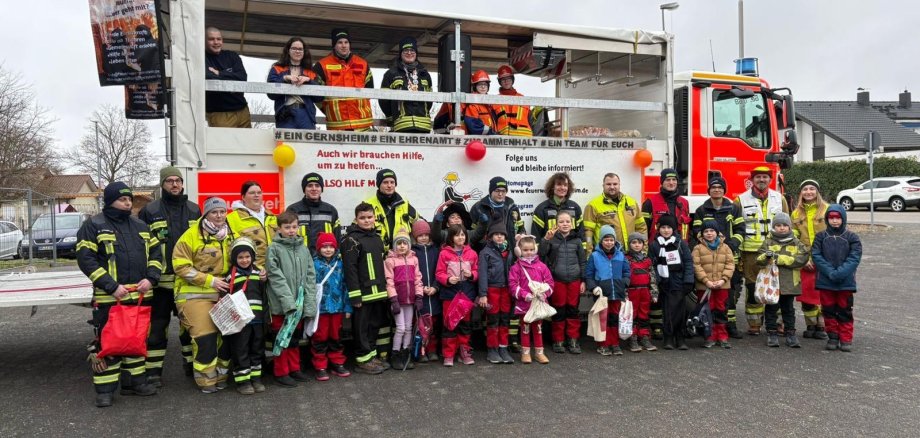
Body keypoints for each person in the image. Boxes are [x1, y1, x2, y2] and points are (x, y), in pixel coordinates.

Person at [77, 182, 161, 407]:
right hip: (110, 298)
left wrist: (151, 278)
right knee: (110, 344)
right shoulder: (93, 225)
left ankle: (135, 383)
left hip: (139, 296)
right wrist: (111, 286)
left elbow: (155, 253)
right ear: (110, 201)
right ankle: (104, 391)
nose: (128, 203)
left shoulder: (141, 225)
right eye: (122, 199)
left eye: (129, 199)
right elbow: (86, 260)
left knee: (136, 342)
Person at [137, 166, 201, 384]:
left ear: (183, 184)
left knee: (189, 327)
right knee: (156, 329)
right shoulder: (150, 211)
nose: (175, 184)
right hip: (161, 284)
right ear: (162, 184)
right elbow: (141, 247)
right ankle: (153, 372)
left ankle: (192, 367)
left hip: (188, 282)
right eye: (170, 181)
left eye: (178, 180)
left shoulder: (195, 210)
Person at [173, 197, 235, 393]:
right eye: (214, 212)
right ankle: (206, 381)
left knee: (227, 338)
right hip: (194, 295)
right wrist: (210, 281)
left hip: (223, 294)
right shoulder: (190, 236)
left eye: (222, 211)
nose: (219, 216)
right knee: (205, 339)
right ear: (206, 214)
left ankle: (222, 376)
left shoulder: (231, 234)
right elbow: (181, 267)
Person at [735, 166, 789, 335]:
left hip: (776, 250)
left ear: (770, 180)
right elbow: (737, 227)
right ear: (752, 180)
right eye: (758, 177)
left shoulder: (780, 199)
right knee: (753, 287)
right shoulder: (740, 200)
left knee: (776, 285)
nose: (761, 180)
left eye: (765, 177)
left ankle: (778, 322)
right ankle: (754, 323)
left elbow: (788, 225)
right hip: (751, 252)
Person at [266, 211, 317, 387]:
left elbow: (310, 276)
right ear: (279, 228)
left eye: (294, 227)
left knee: (295, 338)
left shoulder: (303, 248)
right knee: (282, 338)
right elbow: (276, 277)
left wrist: (308, 303)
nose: (291, 230)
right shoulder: (274, 249)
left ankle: (294, 369)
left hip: (299, 303)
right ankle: (281, 372)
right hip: (282, 305)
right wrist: (288, 303)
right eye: (287, 227)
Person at [691, 176, 746, 339]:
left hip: (728, 257)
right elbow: (696, 231)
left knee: (729, 294)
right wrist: (707, 246)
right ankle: (709, 328)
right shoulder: (702, 210)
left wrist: (729, 246)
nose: (716, 190)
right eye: (713, 187)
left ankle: (730, 325)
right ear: (709, 190)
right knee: (709, 297)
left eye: (720, 187)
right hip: (708, 258)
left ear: (724, 190)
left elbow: (740, 230)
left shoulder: (733, 208)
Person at [342, 202, 389, 374]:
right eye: (362, 218)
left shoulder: (377, 238)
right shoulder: (351, 240)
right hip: (362, 294)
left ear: (374, 218)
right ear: (356, 219)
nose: (367, 221)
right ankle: (362, 360)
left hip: (378, 292)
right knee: (361, 328)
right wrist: (355, 296)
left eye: (369, 217)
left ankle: (371, 356)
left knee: (374, 325)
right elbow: (350, 269)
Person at [811, 205, 862, 352]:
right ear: (827, 219)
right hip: (826, 282)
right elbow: (817, 256)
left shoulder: (852, 237)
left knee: (845, 311)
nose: (834, 221)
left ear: (843, 218)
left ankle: (846, 338)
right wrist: (830, 272)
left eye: (837, 217)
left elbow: (854, 258)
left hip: (845, 283)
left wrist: (839, 273)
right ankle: (833, 337)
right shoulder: (821, 237)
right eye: (831, 218)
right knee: (828, 310)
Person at [755, 213, 809, 348]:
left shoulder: (796, 242)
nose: (782, 228)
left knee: (788, 310)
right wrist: (765, 257)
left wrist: (780, 259)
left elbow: (802, 259)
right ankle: (771, 333)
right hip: (772, 284)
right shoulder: (768, 242)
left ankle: (790, 333)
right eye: (778, 225)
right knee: (771, 309)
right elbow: (758, 259)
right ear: (774, 227)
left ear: (789, 227)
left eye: (785, 225)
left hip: (790, 283)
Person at [538, 211, 586, 354]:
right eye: (561, 222)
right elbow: (541, 254)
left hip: (574, 281)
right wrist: (546, 239)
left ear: (572, 224)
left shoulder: (577, 241)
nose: (565, 224)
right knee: (558, 311)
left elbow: (583, 262)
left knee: (573, 310)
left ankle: (573, 340)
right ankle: (558, 340)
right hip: (557, 281)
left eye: (567, 222)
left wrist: (583, 280)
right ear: (556, 224)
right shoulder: (551, 239)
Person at [223, 237, 266, 394]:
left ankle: (256, 378)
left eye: (247, 256)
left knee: (257, 349)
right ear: (234, 258)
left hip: (257, 319)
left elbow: (265, 292)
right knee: (240, 350)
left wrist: (265, 279)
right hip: (240, 322)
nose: (244, 260)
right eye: (240, 257)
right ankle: (243, 382)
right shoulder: (230, 276)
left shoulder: (259, 273)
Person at [436, 225, 480, 367]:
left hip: (466, 295)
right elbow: (439, 273)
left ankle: (464, 352)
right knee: (450, 324)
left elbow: (476, 270)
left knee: (465, 325)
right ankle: (449, 354)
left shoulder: (472, 253)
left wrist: (472, 275)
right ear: (451, 238)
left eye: (463, 235)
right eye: (457, 235)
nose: (460, 237)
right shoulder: (444, 254)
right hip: (450, 295)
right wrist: (448, 280)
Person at [312, 28, 374, 131]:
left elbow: (370, 91)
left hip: (363, 126)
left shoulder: (363, 64)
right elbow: (315, 95)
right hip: (337, 127)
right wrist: (328, 110)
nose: (344, 45)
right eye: (340, 42)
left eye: (346, 42)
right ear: (334, 45)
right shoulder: (321, 66)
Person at [790, 179, 830, 340]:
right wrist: (802, 259)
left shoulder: (827, 210)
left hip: (825, 259)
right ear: (801, 193)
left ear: (817, 191)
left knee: (823, 294)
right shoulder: (796, 213)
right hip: (806, 260)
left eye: (812, 189)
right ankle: (810, 325)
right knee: (806, 295)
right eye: (805, 189)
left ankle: (821, 325)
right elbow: (794, 239)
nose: (808, 192)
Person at [311, 232, 353, 381]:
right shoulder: (314, 264)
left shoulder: (340, 264)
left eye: (331, 247)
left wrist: (348, 307)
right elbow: (309, 287)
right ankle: (320, 365)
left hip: (337, 308)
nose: (328, 250)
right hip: (320, 309)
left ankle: (337, 362)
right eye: (324, 247)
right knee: (320, 337)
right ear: (318, 249)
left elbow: (346, 286)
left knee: (336, 336)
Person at [649, 214, 694, 351]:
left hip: (679, 282)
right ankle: (668, 337)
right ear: (658, 228)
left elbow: (688, 262)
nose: (666, 230)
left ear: (674, 229)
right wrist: (657, 281)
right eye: (663, 227)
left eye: (669, 227)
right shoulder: (655, 245)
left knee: (680, 311)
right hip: (664, 283)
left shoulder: (681, 243)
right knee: (667, 311)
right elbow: (651, 265)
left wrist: (688, 281)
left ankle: (680, 337)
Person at [585, 225, 631, 356]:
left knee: (614, 319)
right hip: (602, 295)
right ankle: (603, 344)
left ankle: (614, 344)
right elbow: (589, 274)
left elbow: (627, 271)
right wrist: (594, 287)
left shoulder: (621, 255)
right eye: (606, 240)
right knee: (602, 320)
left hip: (617, 293)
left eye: (611, 240)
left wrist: (625, 282)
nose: (609, 242)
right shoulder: (594, 256)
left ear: (615, 240)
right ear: (601, 241)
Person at [509, 235, 554, 364]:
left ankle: (539, 352)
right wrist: (524, 295)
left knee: (538, 328)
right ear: (519, 251)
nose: (528, 253)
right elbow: (513, 285)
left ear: (535, 249)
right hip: (524, 304)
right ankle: (526, 353)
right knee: (525, 328)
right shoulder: (516, 268)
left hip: (538, 304)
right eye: (525, 250)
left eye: (531, 249)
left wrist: (544, 294)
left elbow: (550, 282)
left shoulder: (542, 266)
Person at [691, 221, 735, 349]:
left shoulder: (725, 248)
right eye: (706, 231)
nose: (709, 233)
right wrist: (706, 281)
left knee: (721, 310)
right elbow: (696, 266)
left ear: (717, 233)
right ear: (702, 234)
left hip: (722, 285)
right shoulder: (698, 248)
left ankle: (722, 336)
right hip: (705, 287)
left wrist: (723, 280)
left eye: (712, 231)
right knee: (707, 311)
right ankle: (709, 336)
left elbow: (730, 264)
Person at [384, 229, 424, 370]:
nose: (402, 246)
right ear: (395, 245)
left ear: (409, 245)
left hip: (410, 300)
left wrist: (419, 296)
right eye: (399, 243)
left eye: (404, 243)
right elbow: (389, 281)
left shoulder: (414, 259)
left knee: (408, 328)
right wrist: (393, 299)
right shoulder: (390, 261)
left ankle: (405, 353)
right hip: (398, 301)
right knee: (400, 328)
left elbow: (418, 279)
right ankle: (395, 354)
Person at [478, 222, 515, 364]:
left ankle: (503, 348)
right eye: (496, 234)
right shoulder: (485, 252)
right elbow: (482, 275)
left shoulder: (509, 251)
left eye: (502, 235)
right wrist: (483, 294)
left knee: (505, 319)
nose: (499, 237)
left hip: (506, 291)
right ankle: (492, 349)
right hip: (492, 290)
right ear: (490, 236)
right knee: (493, 320)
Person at [380, 36, 433, 133]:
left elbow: (430, 102)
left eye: (412, 50)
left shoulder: (425, 74)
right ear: (400, 54)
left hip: (423, 126)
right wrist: (393, 117)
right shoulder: (391, 74)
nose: (409, 53)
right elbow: (384, 101)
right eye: (405, 50)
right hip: (401, 125)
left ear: (416, 53)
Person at [268, 37, 322, 129]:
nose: (297, 51)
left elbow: (320, 97)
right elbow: (271, 94)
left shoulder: (310, 72)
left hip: (305, 114)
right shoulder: (277, 69)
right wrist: (284, 78)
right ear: (288, 51)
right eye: (294, 48)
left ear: (304, 52)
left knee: (307, 142)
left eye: (300, 49)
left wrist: (308, 80)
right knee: (285, 143)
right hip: (285, 114)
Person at [583, 172, 647, 248]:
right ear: (603, 186)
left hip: (631, 254)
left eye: (615, 184)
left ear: (619, 185)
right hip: (607, 255)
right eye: (608, 184)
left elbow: (641, 227)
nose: (612, 187)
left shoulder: (631, 202)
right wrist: (589, 253)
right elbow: (588, 232)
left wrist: (643, 249)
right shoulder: (593, 205)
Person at [204, 27, 251, 128]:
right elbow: (208, 77)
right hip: (220, 113)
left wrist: (220, 73)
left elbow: (243, 77)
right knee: (224, 144)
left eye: (219, 39)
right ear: (204, 40)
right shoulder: (201, 57)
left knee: (247, 143)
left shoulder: (232, 56)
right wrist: (230, 75)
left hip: (243, 110)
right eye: (211, 39)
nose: (216, 42)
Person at [227, 181, 279, 270]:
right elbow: (229, 249)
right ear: (243, 197)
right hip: (250, 271)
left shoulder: (272, 216)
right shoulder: (231, 218)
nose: (256, 195)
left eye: (259, 193)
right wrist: (254, 269)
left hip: (275, 268)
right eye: (252, 193)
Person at [365, 169, 420, 250]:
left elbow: (419, 222)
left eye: (392, 182)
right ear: (379, 184)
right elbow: (358, 231)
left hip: (400, 255)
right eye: (385, 182)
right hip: (379, 254)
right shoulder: (368, 204)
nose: (389, 185)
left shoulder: (404, 203)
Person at [286, 172, 341, 251]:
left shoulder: (331, 210)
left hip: (324, 260)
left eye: (317, 185)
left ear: (321, 189)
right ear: (304, 189)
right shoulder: (293, 210)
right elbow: (286, 237)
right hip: (300, 259)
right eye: (310, 185)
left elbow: (337, 238)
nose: (314, 188)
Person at [411, 219, 442, 363]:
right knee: (420, 325)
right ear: (415, 236)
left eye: (426, 234)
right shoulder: (412, 252)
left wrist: (436, 287)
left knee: (433, 325)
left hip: (434, 294)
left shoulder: (436, 250)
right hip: (420, 294)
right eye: (420, 235)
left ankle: (432, 350)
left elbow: (440, 270)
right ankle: (421, 351)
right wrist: (420, 288)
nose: (423, 237)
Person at [469, 176, 525, 251]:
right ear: (491, 191)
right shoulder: (478, 208)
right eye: (497, 190)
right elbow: (472, 234)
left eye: (503, 191)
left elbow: (520, 228)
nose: (500, 194)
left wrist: (521, 235)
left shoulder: (512, 207)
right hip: (485, 252)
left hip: (509, 252)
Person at [624, 232, 658, 352]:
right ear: (629, 244)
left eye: (639, 243)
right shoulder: (626, 259)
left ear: (643, 245)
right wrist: (625, 293)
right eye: (634, 242)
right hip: (632, 291)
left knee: (644, 314)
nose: (637, 245)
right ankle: (632, 338)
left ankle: (644, 336)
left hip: (645, 291)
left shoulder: (647, 260)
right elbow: (623, 277)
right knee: (632, 315)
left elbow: (652, 278)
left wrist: (654, 293)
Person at [531, 172, 583, 245]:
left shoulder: (575, 207)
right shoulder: (542, 209)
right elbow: (536, 236)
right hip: (550, 253)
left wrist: (583, 252)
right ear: (552, 187)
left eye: (565, 185)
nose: (562, 187)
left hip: (572, 253)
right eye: (559, 184)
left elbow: (581, 233)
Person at [643, 168, 691, 243]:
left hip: (680, 248)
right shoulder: (650, 202)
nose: (671, 183)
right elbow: (643, 229)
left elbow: (687, 229)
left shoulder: (684, 202)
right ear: (662, 182)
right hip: (657, 249)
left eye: (674, 179)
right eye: (668, 180)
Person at [494, 65, 533, 137]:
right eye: (503, 80)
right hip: (503, 140)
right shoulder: (495, 100)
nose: (506, 82)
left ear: (512, 80)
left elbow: (530, 121)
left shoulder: (523, 98)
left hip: (525, 140)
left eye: (508, 79)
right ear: (500, 82)